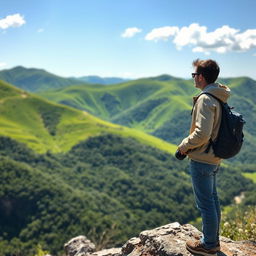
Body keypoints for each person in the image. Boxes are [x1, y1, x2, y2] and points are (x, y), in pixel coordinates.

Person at [178, 59, 231, 256]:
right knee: (212, 200)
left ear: (200, 77)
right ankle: (212, 240)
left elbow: (202, 134)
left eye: (194, 75)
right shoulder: (219, 96)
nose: (193, 78)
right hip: (214, 157)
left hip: (202, 159)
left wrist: (183, 146)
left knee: (205, 203)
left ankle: (208, 245)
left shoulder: (205, 99)